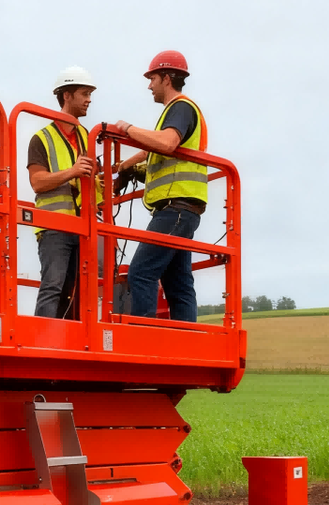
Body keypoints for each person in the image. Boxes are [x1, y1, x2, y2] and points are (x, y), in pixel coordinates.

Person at [113, 51, 208, 323]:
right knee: (178, 284)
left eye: (152, 79)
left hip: (175, 210)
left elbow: (166, 143)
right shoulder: (175, 112)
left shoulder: (181, 107)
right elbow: (154, 154)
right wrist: (124, 167)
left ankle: (143, 338)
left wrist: (127, 128)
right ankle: (184, 341)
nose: (149, 86)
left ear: (166, 78)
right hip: (183, 210)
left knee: (141, 272)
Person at [27, 67, 103, 318]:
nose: (89, 99)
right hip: (54, 226)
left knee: (78, 292)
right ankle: (44, 338)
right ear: (66, 95)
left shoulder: (86, 136)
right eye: (84, 93)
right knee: (53, 287)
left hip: (82, 227)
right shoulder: (42, 138)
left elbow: (91, 181)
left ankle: (70, 338)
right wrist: (72, 171)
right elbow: (37, 182)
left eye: (90, 94)